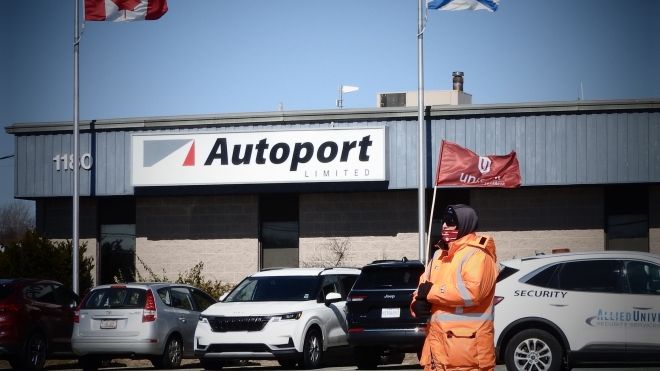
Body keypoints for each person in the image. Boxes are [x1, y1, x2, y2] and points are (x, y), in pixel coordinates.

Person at [410, 204, 499, 371]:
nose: (444, 226)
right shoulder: (438, 255)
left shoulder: (478, 255)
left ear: (465, 224)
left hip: (467, 355)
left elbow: (472, 292)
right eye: (444, 221)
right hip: (438, 353)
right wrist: (416, 303)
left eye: (451, 222)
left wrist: (430, 293)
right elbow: (423, 286)